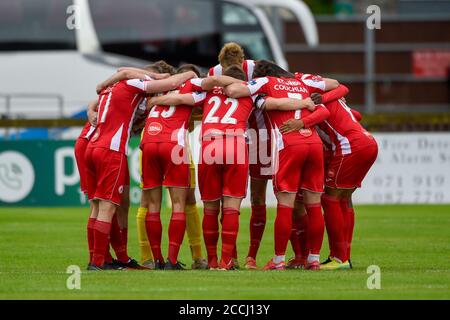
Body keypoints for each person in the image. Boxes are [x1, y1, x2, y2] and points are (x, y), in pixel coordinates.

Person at [223, 60, 338, 270]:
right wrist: (305, 108)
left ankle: (278, 260)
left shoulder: (264, 82)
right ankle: (313, 260)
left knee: (285, 204)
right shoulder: (301, 83)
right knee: (313, 205)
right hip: (313, 143)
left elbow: (234, 91)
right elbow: (333, 89)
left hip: (289, 143)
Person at [85, 68, 196, 270]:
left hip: (91, 146)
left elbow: (105, 88)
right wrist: (188, 74)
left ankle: (99, 258)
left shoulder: (109, 90)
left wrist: (93, 103)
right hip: (111, 149)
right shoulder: (133, 84)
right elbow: (166, 84)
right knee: (108, 206)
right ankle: (98, 262)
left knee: (97, 205)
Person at [281, 88, 378, 270]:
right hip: (368, 141)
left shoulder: (313, 103)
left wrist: (303, 121)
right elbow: (356, 114)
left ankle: (339, 258)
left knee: (329, 198)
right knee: (344, 199)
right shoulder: (331, 99)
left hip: (351, 146)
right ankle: (344, 257)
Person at [209, 42, 271, 270]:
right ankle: (231, 255)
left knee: (257, 197)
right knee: (229, 199)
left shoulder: (258, 68)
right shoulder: (214, 71)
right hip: (234, 136)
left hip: (261, 135)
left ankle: (251, 256)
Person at [140, 64, 203, 270]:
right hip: (173, 145)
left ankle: (155, 259)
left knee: (152, 205)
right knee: (178, 204)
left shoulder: (157, 87)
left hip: (148, 142)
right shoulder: (194, 87)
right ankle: (172, 261)